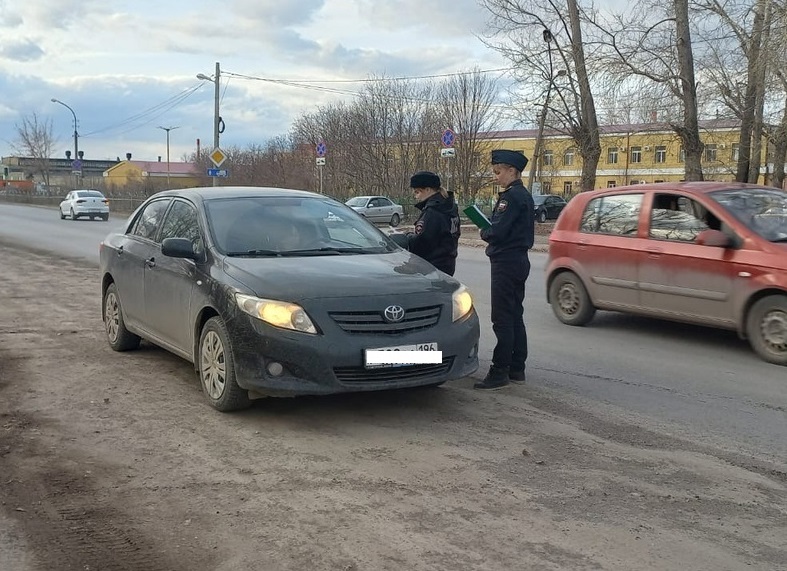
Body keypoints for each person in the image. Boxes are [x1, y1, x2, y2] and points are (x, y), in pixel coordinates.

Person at [474, 149, 535, 390]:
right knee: (514, 315)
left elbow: (496, 232)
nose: (496, 177)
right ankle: (517, 368)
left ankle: (500, 371)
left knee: (502, 318)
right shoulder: (524, 195)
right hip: (518, 260)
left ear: (512, 170)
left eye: (498, 172)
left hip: (506, 262)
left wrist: (483, 230)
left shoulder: (511, 198)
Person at [405, 171, 461, 276]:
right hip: (447, 264)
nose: (416, 197)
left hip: (431, 267)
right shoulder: (449, 207)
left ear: (428, 189)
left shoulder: (433, 211)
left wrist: (406, 238)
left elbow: (422, 242)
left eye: (418, 192)